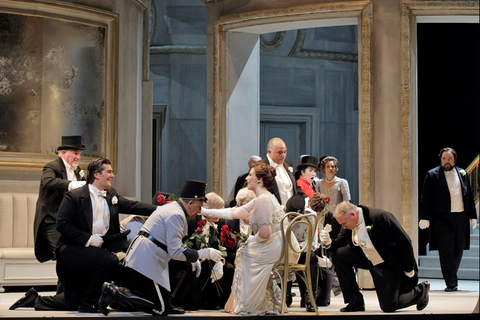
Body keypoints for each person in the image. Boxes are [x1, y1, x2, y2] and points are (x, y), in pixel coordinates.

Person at [10, 158, 157, 313]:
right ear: (96, 174)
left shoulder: (110, 195)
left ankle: (35, 299)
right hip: (72, 250)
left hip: (96, 252)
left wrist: (160, 209)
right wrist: (87, 239)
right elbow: (62, 224)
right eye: (109, 171)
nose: (112, 175)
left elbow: (133, 206)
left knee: (71, 303)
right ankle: (89, 302)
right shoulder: (74, 197)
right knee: (109, 260)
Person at [97, 180, 224, 316]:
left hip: (150, 254)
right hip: (147, 257)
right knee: (160, 309)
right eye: (199, 207)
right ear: (191, 203)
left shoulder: (175, 209)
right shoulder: (176, 214)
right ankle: (115, 292)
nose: (199, 212)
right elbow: (175, 251)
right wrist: (204, 253)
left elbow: (174, 243)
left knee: (165, 304)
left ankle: (161, 303)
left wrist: (193, 256)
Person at [201, 162, 295, 315]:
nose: (247, 178)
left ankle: (250, 303)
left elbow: (265, 232)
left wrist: (251, 241)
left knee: (244, 252)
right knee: (244, 251)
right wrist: (204, 210)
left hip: (273, 245)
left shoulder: (264, 200)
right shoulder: (262, 198)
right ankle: (247, 301)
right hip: (273, 243)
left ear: (259, 180)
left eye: (251, 175)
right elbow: (236, 212)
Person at [321, 201, 430, 313]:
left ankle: (421, 291)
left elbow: (405, 242)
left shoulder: (380, 217)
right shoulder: (349, 224)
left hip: (388, 263)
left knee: (389, 306)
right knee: (340, 255)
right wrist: (329, 243)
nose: (344, 227)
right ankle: (355, 301)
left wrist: (409, 268)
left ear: (353, 214)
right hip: (367, 258)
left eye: (344, 223)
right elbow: (339, 243)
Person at [419, 147, 477, 292]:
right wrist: (424, 217)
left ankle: (452, 275)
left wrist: (473, 216)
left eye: (450, 158)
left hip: (460, 217)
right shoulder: (432, 175)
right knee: (446, 250)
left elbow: (468, 196)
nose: (447, 161)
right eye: (444, 158)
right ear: (441, 159)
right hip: (441, 219)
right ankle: (451, 282)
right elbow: (426, 198)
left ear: (454, 159)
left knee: (459, 248)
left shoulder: (462, 173)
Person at [172, 192, 239, 310]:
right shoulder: (193, 221)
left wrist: (221, 260)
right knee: (204, 267)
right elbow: (186, 243)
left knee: (229, 268)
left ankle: (219, 302)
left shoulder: (220, 223)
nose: (221, 213)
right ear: (212, 209)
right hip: (195, 258)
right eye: (219, 210)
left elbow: (220, 247)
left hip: (213, 258)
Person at [34, 135, 87, 264]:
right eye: (75, 153)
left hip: (69, 223)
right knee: (66, 254)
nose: (78, 157)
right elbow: (48, 181)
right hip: (52, 220)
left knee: (75, 256)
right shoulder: (52, 166)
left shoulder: (77, 170)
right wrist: (72, 185)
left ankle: (67, 284)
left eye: (79, 154)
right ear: (63, 153)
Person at [284, 193, 319, 312]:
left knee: (312, 258)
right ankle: (285, 295)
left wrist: (297, 250)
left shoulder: (311, 217)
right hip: (285, 251)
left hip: (302, 251)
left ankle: (310, 297)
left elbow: (312, 243)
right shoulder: (280, 215)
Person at [262, 137, 298, 205]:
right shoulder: (261, 167)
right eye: (280, 152)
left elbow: (294, 186)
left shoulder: (287, 163)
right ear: (269, 152)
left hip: (291, 211)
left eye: (285, 152)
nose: (283, 155)